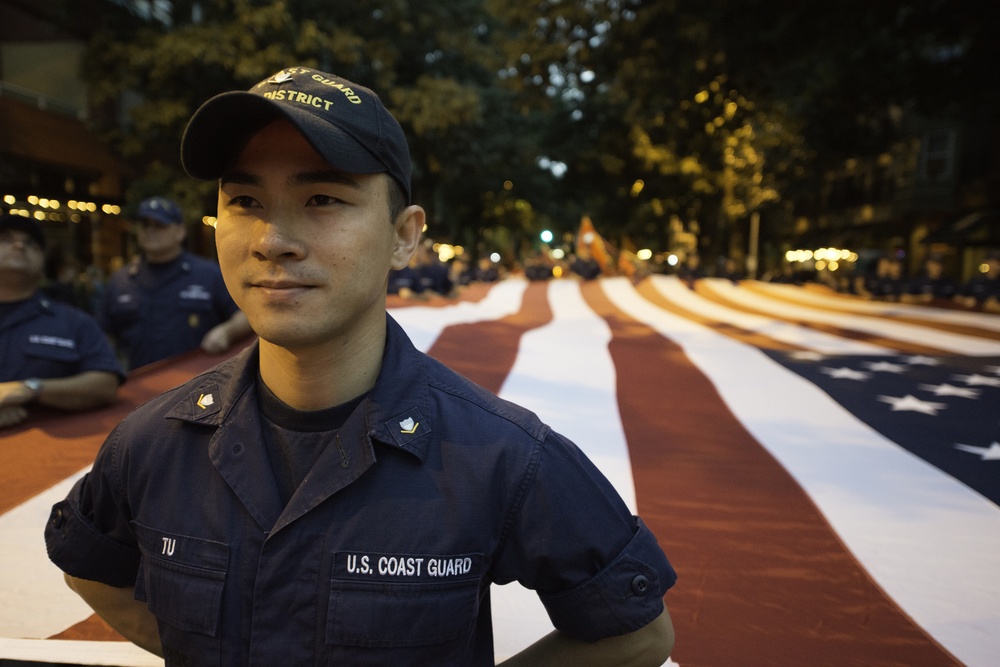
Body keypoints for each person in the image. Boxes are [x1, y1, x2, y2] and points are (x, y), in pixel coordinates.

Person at [45, 66, 676, 665]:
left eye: (321, 197)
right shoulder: (152, 444)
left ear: (405, 236)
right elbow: (89, 568)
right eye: (243, 199)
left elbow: (635, 635)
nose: (271, 239)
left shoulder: (502, 456)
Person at [99, 195, 253, 369]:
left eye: (160, 225)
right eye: (145, 225)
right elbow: (105, 334)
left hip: (196, 383)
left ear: (180, 232)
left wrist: (227, 331)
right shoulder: (121, 280)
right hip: (140, 385)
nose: (151, 231)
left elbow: (246, 315)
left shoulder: (208, 274)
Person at [0, 214, 123, 428]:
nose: (19, 245)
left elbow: (105, 384)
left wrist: (30, 389)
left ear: (42, 268)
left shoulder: (74, 322)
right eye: (6, 239)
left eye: (31, 244)